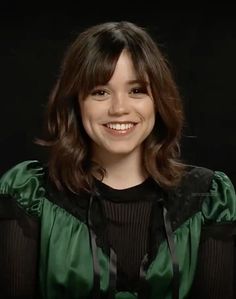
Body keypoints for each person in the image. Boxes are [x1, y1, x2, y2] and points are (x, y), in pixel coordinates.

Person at [0, 21, 235, 299]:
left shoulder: (209, 198)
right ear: (76, 101)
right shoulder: (30, 193)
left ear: (157, 100)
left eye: (137, 90)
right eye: (100, 92)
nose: (119, 108)